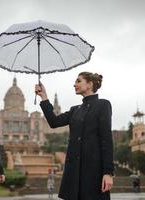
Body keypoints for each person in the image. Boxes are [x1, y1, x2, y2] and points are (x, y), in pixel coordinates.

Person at [35, 72, 114, 200]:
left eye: (78, 81)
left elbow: (106, 140)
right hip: (73, 172)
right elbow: (53, 122)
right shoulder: (74, 110)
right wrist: (44, 96)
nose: (74, 84)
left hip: (93, 171)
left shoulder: (103, 105)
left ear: (89, 84)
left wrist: (108, 173)